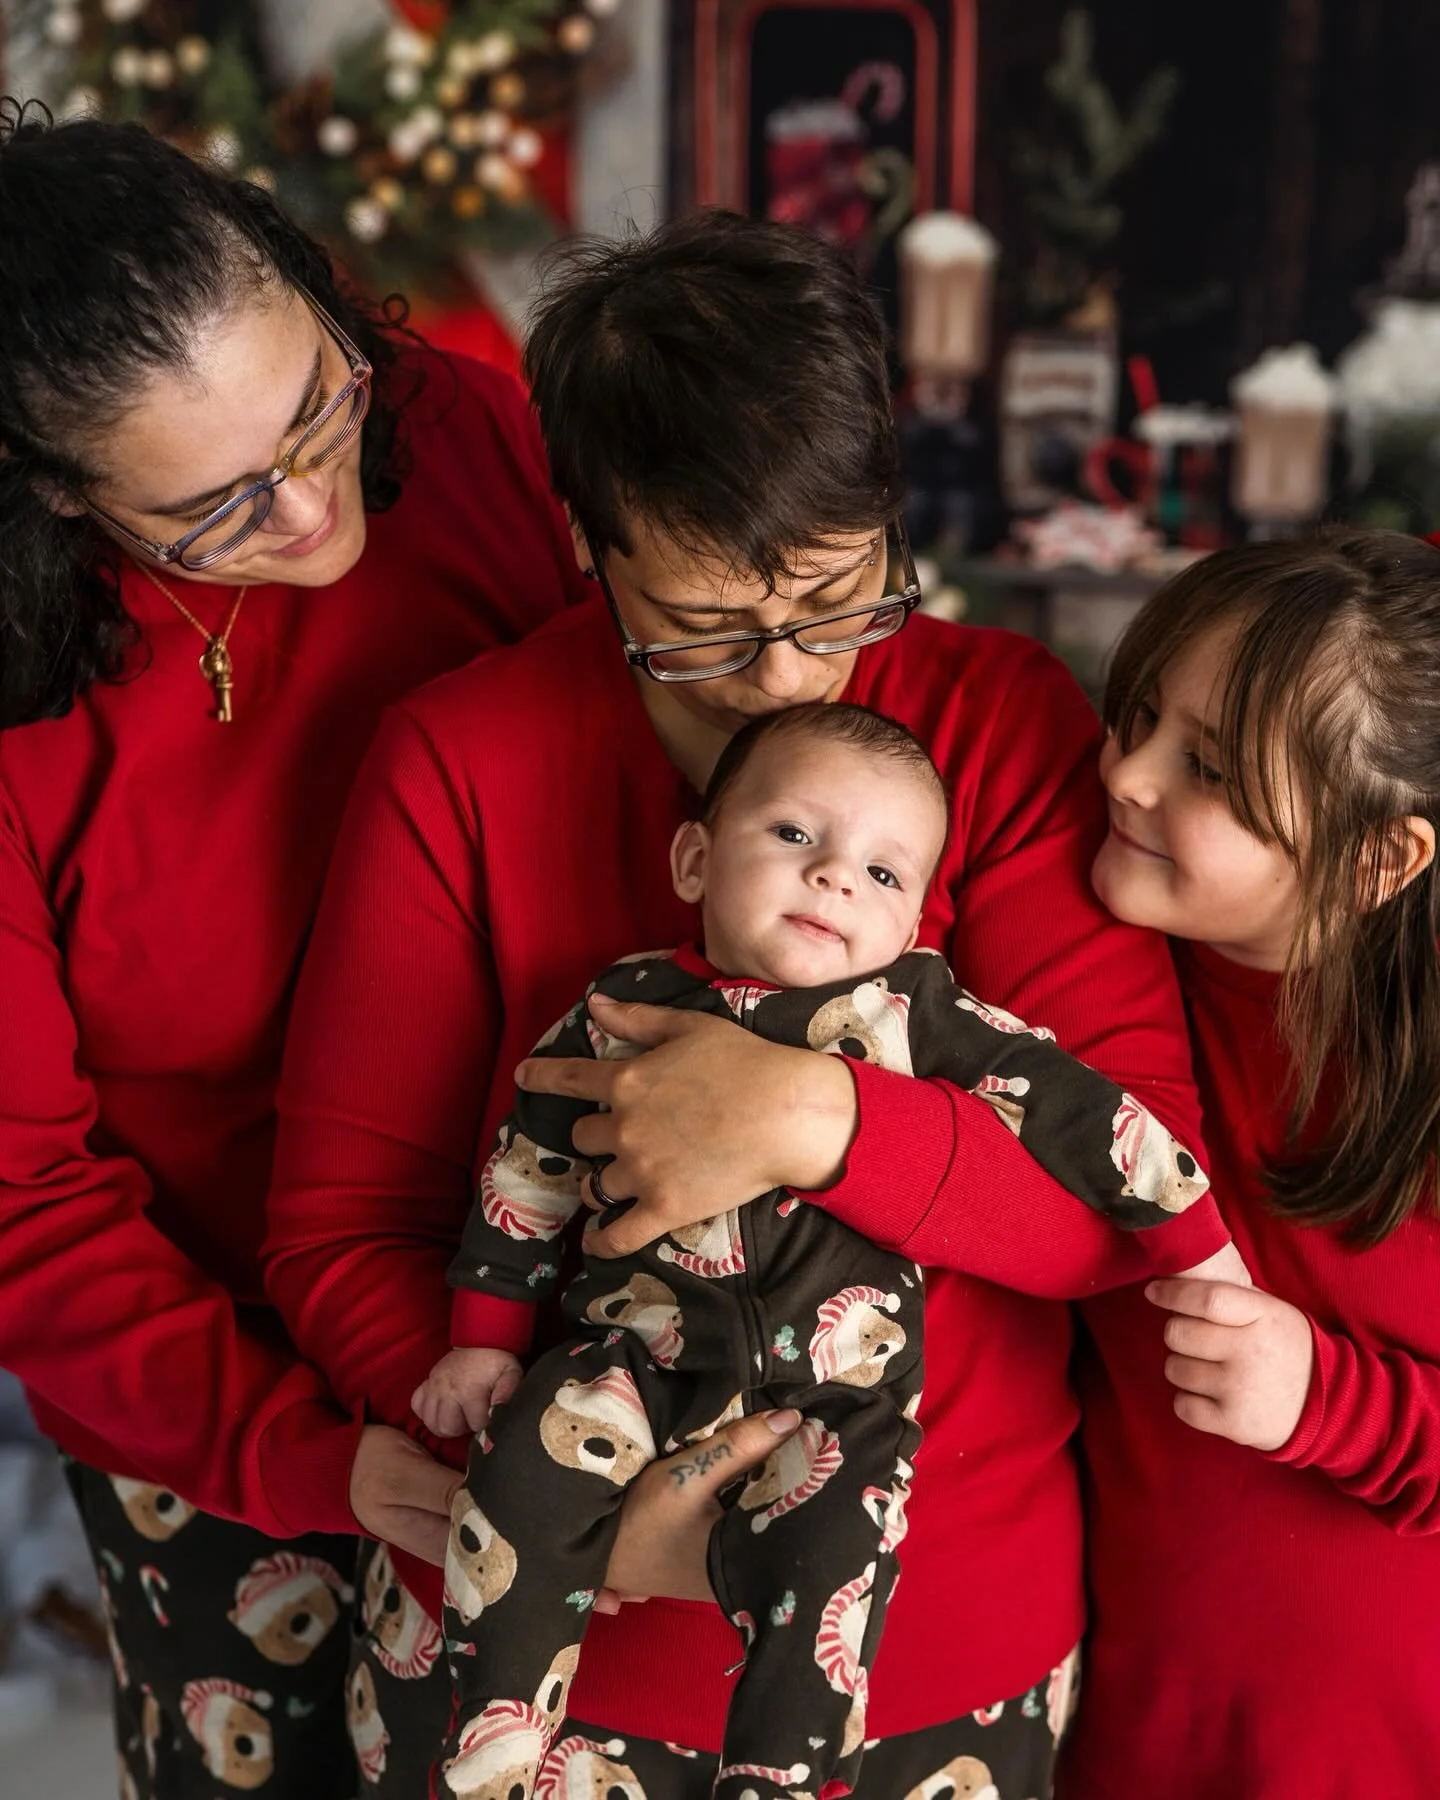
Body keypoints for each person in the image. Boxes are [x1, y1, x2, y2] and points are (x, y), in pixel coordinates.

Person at [264, 209, 1236, 1800]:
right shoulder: (460, 759)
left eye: (843, 594)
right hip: (537, 1656)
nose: (789, 678)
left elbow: (1129, 1190)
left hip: (933, 1644)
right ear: (586, 540)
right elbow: (339, 1228)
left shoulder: (996, 722)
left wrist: (814, 1116)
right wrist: (558, 1499)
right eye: (707, 623)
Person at [0, 100, 585, 1800]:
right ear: (50, 496)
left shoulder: (466, 434)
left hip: (531, 1305)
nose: (318, 506)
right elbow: (24, 1202)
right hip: (214, 1382)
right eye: (219, 506)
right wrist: (305, 1455)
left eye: (321, 405)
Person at [418, 702, 1216, 1800]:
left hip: (840, 1400)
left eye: (885, 874)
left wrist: (1196, 1240)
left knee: (834, 1563)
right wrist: (485, 1342)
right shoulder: (619, 1009)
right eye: (796, 837)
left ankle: (784, 1780)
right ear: (696, 859)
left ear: (916, 922)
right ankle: (493, 1747)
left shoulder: (915, 1012)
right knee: (521, 1471)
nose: (839, 878)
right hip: (631, 1364)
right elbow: (525, 1180)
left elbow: (1080, 1114)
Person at [1058, 532, 1440, 1800]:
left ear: (1381, 863)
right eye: (1142, 712)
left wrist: (1325, 1396)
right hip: (1114, 1718)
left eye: (1207, 768)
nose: (1124, 772)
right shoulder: (1087, 947)